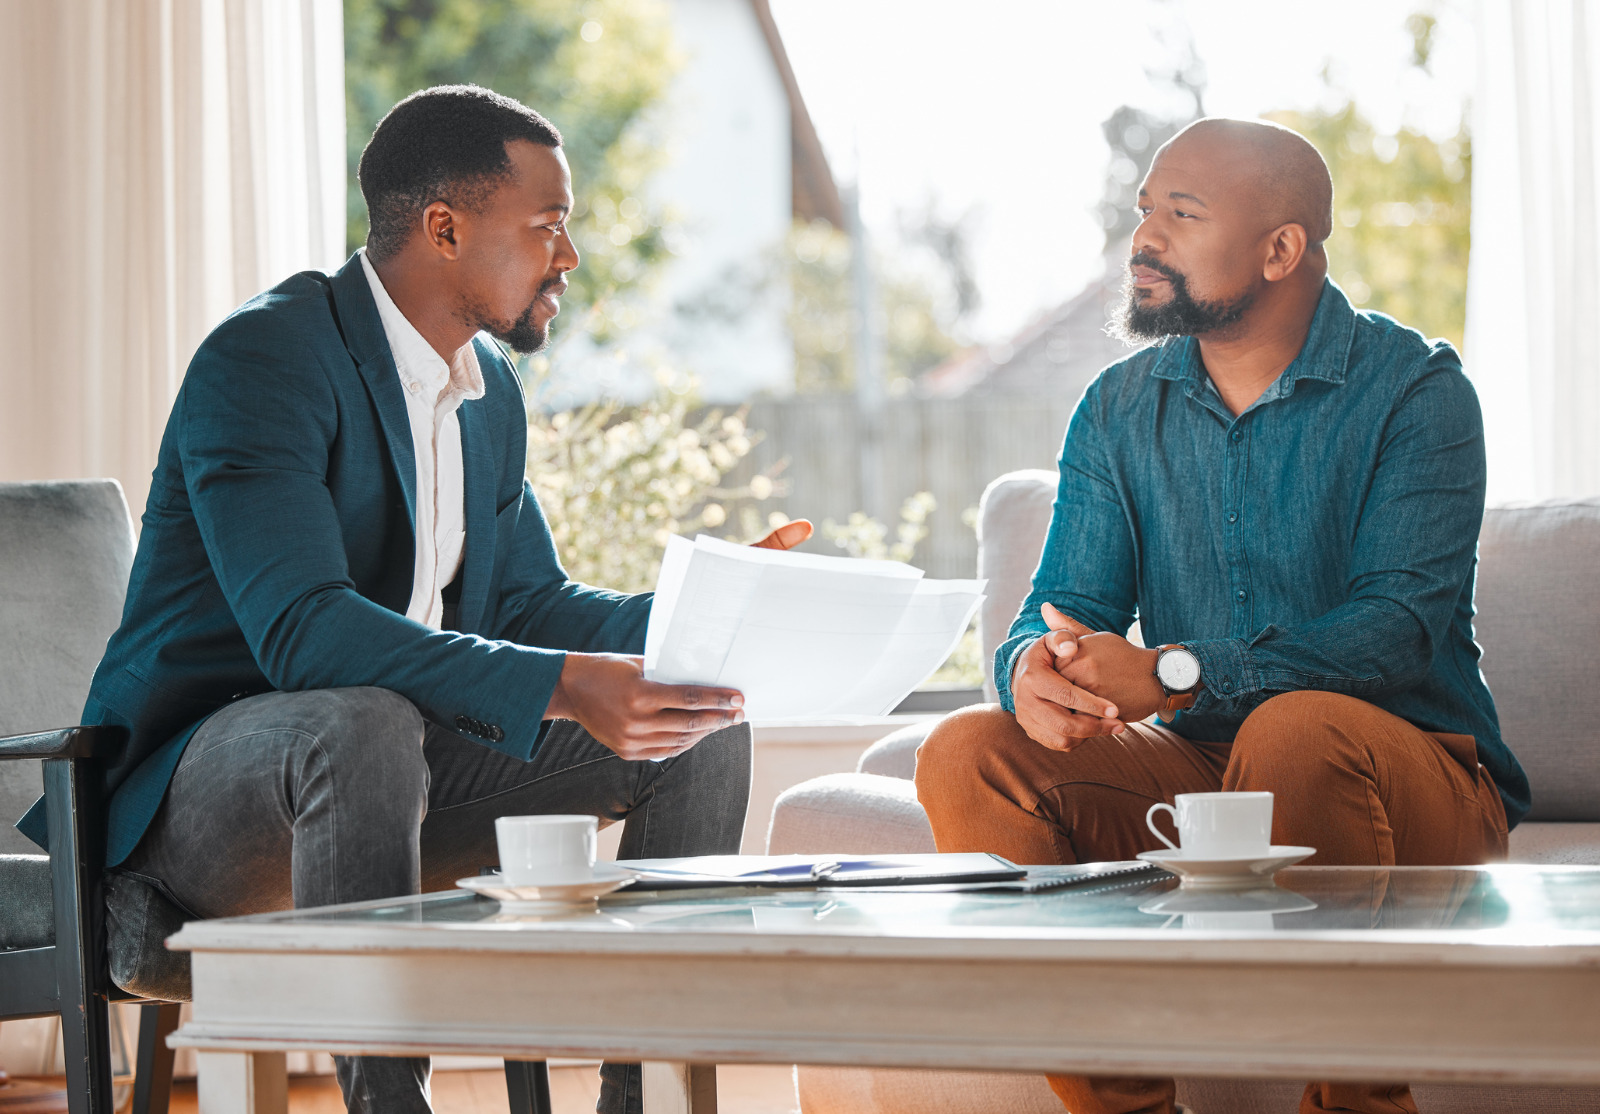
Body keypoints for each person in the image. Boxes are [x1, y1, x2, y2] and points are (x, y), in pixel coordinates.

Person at [14, 84, 811, 1114]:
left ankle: (641, 1098)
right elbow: (306, 630)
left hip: (385, 780)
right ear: (445, 227)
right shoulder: (266, 360)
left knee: (695, 725)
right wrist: (563, 684)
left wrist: (715, 606)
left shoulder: (485, 395)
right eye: (548, 225)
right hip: (189, 814)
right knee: (361, 721)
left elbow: (527, 604)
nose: (567, 256)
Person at [913, 118, 1526, 1114]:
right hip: (1203, 775)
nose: (1142, 237)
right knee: (963, 751)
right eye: (1143, 210)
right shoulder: (1117, 406)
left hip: (1412, 782)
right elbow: (1057, 609)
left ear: (1280, 250)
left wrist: (1169, 673)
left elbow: (1396, 628)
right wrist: (1033, 669)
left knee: (1296, 730)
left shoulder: (1417, 391)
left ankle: (1358, 1104)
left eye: (1180, 214)